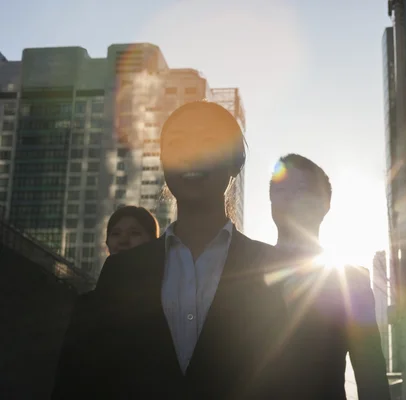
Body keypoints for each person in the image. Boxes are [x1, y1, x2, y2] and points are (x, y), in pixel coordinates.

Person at [52, 101, 287, 399]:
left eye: (208, 143)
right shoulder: (121, 272)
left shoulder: (273, 268)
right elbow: (80, 381)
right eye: (177, 144)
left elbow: (296, 380)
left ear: (235, 160)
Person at [269, 153, 391, 399]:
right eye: (280, 189)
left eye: (300, 189)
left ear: (323, 205)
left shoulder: (351, 283)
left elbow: (372, 379)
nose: (288, 198)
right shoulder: (240, 272)